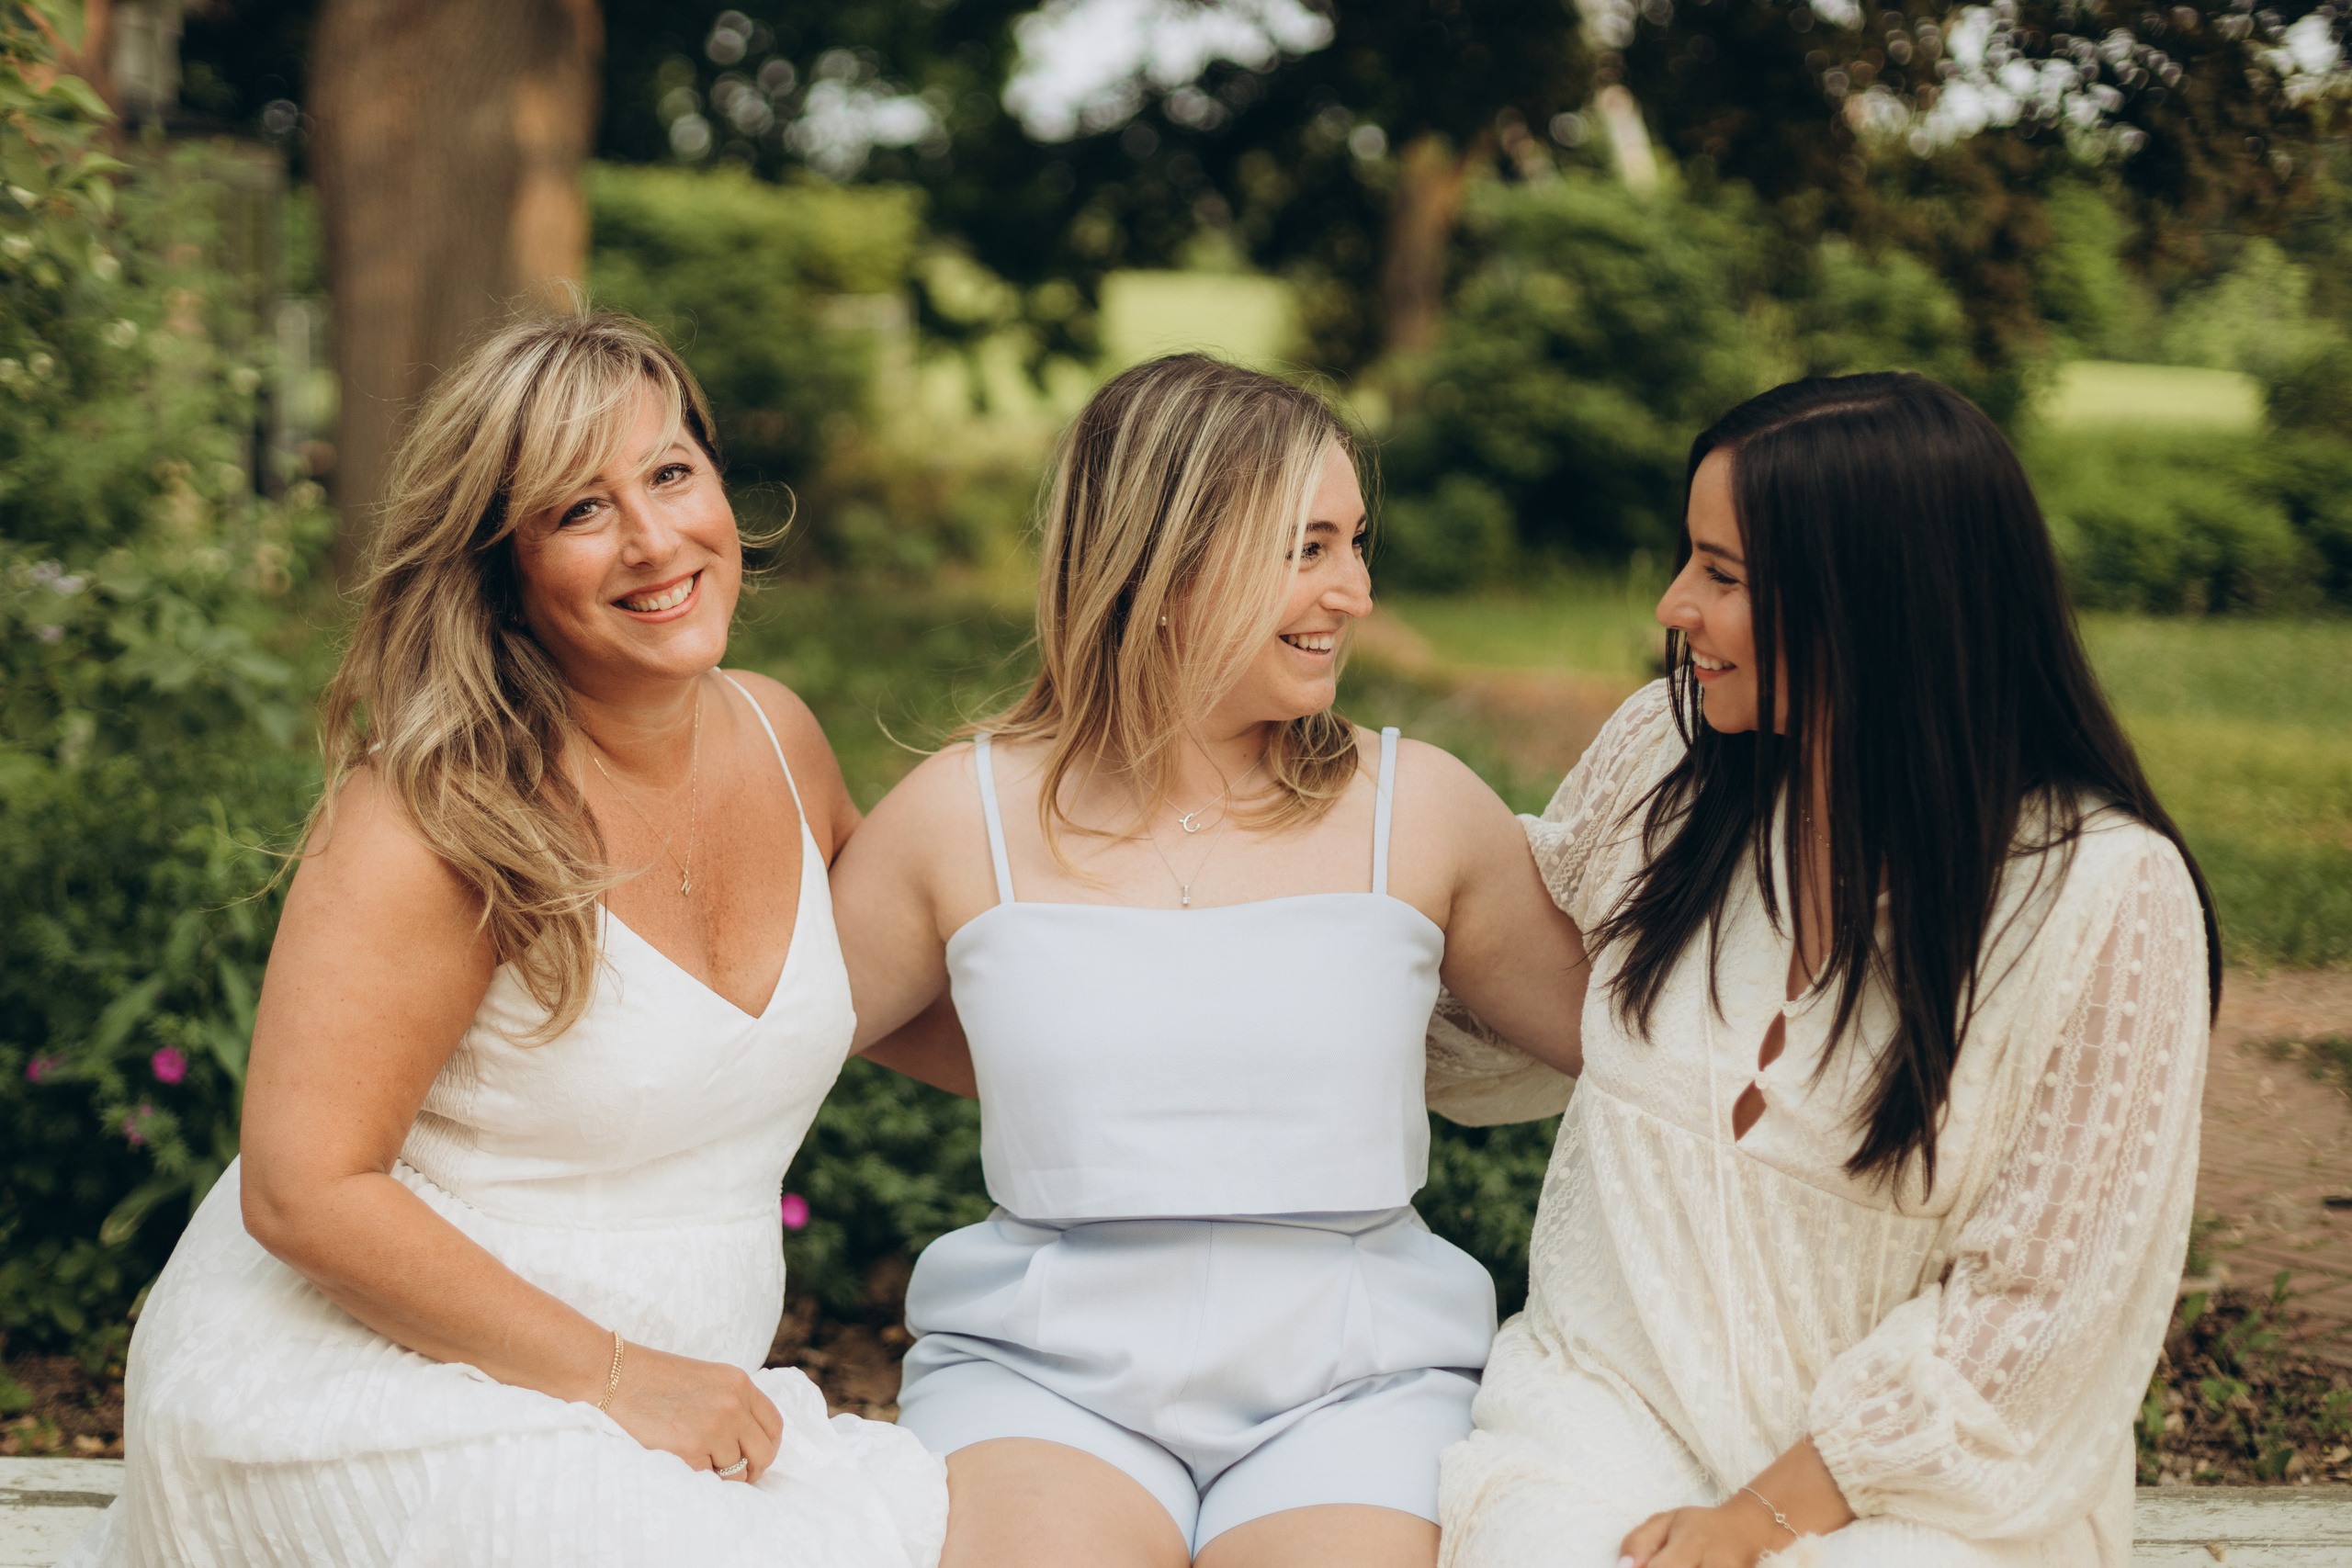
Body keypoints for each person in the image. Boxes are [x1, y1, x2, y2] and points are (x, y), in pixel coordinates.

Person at [62, 312, 945, 1568]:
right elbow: (305, 1189)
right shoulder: (437, 813)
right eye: (580, 511)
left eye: (671, 473)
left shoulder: (777, 738)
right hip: (362, 1391)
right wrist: (622, 1377)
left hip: (655, 1410)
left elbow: (889, 993)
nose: (655, 541)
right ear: (501, 566)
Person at [1430, 372, 2218, 1568]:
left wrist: (1754, 1525)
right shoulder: (1666, 769)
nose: (1673, 606)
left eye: (1723, 575)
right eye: (1689, 561)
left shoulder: (2105, 899)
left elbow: (2040, 1321)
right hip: (1607, 1418)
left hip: (1919, 1512)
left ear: (1878, 606)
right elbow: (1483, 1010)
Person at [828, 354, 1587, 1568]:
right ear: (1165, 565)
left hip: (1361, 1381)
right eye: (1310, 548)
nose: (1356, 591)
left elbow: (1639, 1045)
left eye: (1355, 544)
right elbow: (773, 1039)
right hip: (1040, 1379)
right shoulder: (957, 816)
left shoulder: (1422, 810)